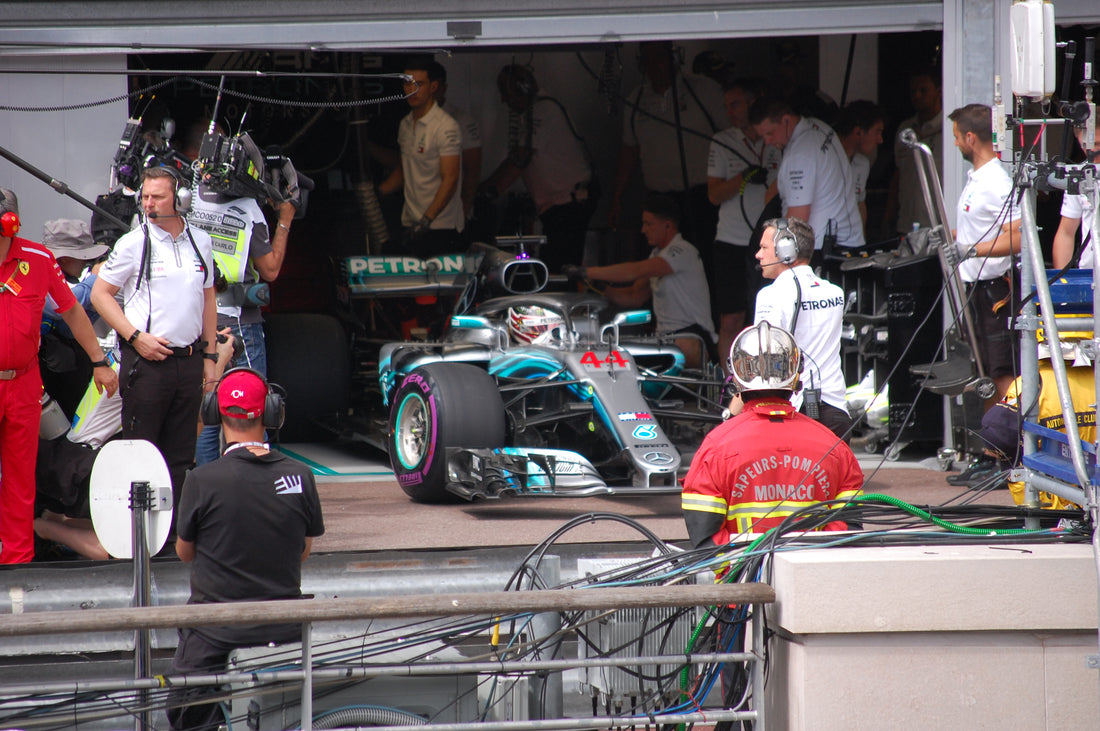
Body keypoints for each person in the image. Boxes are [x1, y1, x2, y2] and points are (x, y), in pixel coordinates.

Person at [166, 368, 324, 731]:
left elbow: (184, 554)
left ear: (213, 414)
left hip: (213, 631)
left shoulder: (201, 480)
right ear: (271, 414)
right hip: (284, 631)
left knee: (186, 712)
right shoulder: (301, 475)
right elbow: (303, 550)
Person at [90, 166, 218, 512]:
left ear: (180, 199)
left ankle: (175, 536)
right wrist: (134, 336)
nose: (148, 204)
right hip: (146, 363)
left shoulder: (200, 241)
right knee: (143, 451)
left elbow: (208, 298)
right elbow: (101, 295)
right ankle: (140, 537)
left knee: (180, 454)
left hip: (189, 360)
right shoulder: (133, 242)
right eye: (145, 197)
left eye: (157, 197)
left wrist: (210, 357)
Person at [0, 189, 118, 563]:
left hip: (23, 382)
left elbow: (72, 311)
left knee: (21, 477)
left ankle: (17, 559)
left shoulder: (37, 258)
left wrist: (99, 361)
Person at [178, 119, 296, 465]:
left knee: (207, 415)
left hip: (198, 322)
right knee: (250, 410)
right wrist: (286, 218)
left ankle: (204, 486)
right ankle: (252, 486)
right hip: (240, 324)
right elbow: (270, 268)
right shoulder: (248, 210)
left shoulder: (190, 200)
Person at [681, 321, 862, 547]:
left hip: (740, 578)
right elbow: (847, 534)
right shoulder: (834, 447)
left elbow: (705, 541)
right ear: (796, 375)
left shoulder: (715, 447)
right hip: (814, 576)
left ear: (736, 379)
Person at [570, 194, 716, 368]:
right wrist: (601, 288)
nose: (643, 230)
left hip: (692, 337)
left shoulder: (682, 250)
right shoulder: (656, 255)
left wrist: (587, 272)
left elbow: (634, 271)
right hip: (666, 339)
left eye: (648, 223)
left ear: (668, 225)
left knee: (667, 352)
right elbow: (634, 296)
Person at [609, 41, 725, 256]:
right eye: (648, 60)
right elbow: (629, 150)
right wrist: (617, 196)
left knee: (704, 255)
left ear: (673, 58)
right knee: (661, 261)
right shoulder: (636, 100)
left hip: (700, 194)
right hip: (660, 197)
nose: (655, 66)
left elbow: (730, 135)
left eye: (660, 58)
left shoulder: (703, 89)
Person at [481, 64, 596, 273]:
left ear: (522, 89)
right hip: (558, 206)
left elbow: (520, 158)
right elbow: (514, 159)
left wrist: (490, 192)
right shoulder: (534, 112)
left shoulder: (545, 110)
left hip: (569, 205)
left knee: (559, 270)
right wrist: (487, 186)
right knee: (554, 266)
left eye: (506, 94)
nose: (504, 100)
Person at [706, 76, 782, 369]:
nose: (730, 111)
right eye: (727, 106)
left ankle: (763, 381)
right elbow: (713, 194)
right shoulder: (722, 140)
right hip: (730, 240)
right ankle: (730, 387)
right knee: (731, 318)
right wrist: (743, 177)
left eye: (736, 104)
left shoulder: (774, 137)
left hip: (768, 243)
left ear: (753, 102)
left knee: (764, 314)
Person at [948, 103, 1022, 401]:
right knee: (985, 373)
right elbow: (980, 229)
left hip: (996, 293)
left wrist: (972, 251)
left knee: (1001, 372)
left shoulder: (996, 182)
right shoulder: (977, 179)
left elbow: (1018, 237)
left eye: (955, 136)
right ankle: (993, 444)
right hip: (975, 289)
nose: (953, 143)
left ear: (970, 138)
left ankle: (1007, 443)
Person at [753, 217, 851, 441]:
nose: (758, 255)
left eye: (764, 247)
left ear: (786, 250)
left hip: (792, 415)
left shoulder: (770, 295)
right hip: (837, 414)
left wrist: (731, 413)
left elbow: (762, 362)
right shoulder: (835, 293)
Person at [749, 97, 865, 257]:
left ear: (786, 120)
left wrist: (778, 257)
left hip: (821, 249)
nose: (767, 141)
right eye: (764, 136)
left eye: (770, 133)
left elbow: (797, 218)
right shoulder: (819, 127)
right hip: (849, 239)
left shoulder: (800, 154)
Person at [378, 58, 464, 258]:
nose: (412, 89)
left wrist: (426, 220)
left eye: (419, 84)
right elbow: (406, 168)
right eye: (408, 83)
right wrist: (379, 192)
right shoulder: (405, 124)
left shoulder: (446, 126)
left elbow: (450, 178)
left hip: (441, 226)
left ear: (433, 87)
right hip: (411, 224)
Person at [39, 218, 111, 418]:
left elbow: (70, 328)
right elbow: (61, 309)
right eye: (82, 257)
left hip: (70, 371)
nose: (87, 262)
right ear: (63, 259)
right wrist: (97, 281)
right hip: (49, 374)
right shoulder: (38, 273)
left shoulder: (73, 280)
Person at [887, 68, 943, 235]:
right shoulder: (905, 130)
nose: (916, 96)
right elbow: (898, 174)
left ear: (938, 91)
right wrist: (889, 216)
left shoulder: (949, 130)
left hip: (938, 225)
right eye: (913, 91)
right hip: (907, 222)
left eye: (923, 90)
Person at [435, 63, 483, 224]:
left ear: (443, 87)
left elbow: (473, 169)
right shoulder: (410, 121)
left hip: (452, 214)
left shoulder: (460, 119)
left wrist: (464, 208)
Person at [1051, 126, 1099, 269]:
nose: (1092, 153)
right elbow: (1066, 233)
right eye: (1086, 147)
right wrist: (1062, 283)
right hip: (1090, 275)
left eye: (1098, 145)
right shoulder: (1078, 174)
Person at [835, 100, 886, 227]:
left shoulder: (863, 164)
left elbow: (860, 203)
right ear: (858, 132)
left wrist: (861, 242)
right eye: (877, 132)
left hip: (851, 241)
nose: (880, 140)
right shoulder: (824, 159)